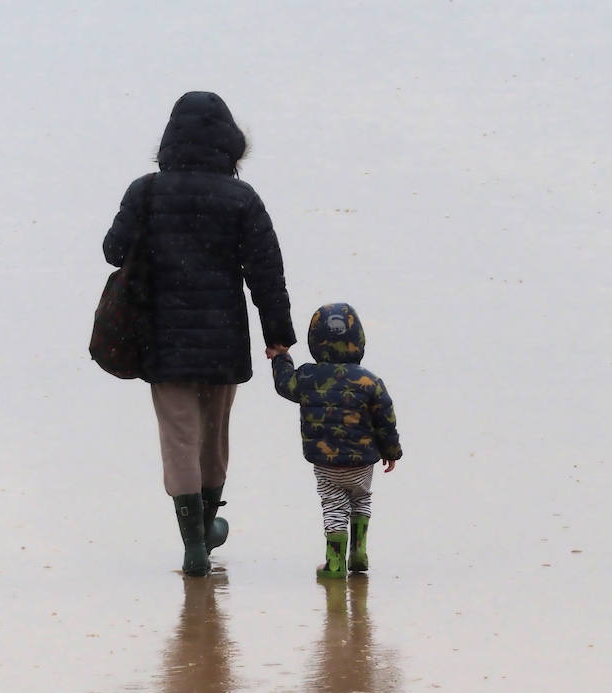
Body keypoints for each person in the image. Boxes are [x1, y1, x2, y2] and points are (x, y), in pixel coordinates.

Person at [103, 91, 295, 576]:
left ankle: (192, 546)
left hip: (162, 340)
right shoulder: (242, 199)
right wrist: (278, 335)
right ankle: (208, 530)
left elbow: (112, 250)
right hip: (224, 339)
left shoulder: (145, 191)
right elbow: (266, 272)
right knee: (214, 436)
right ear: (230, 145)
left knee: (179, 438)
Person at [271, 302, 402, 577]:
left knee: (333, 506)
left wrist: (281, 356)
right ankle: (359, 554)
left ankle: (334, 563)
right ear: (359, 341)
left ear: (315, 341)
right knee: (361, 499)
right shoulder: (370, 382)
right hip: (362, 463)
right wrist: (391, 451)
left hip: (326, 463)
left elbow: (285, 385)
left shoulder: (307, 377)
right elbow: (385, 419)